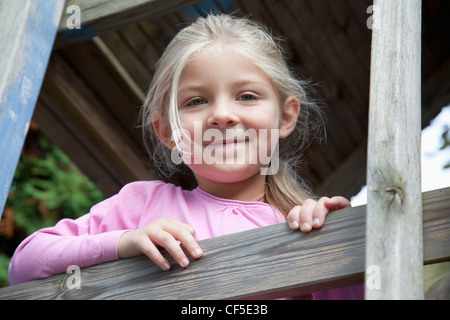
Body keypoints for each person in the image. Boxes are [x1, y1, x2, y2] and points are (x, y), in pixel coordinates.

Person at [8, 14, 361, 299]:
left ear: (285, 116)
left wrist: (343, 240)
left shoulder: (300, 225)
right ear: (166, 131)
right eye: (196, 101)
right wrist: (123, 242)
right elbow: (24, 265)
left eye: (248, 96)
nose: (222, 115)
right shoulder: (140, 207)